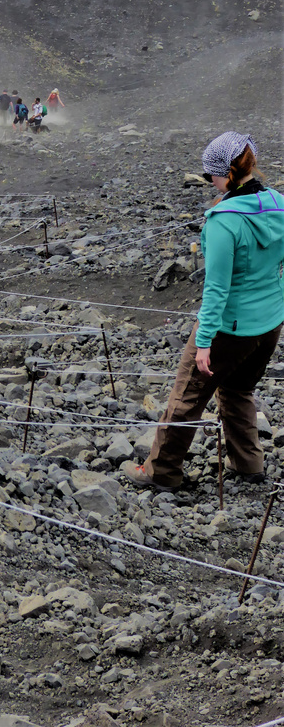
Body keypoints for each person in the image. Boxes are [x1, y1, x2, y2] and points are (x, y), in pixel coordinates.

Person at [124, 132, 284, 492]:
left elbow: (216, 289)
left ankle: (160, 472)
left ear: (227, 173)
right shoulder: (279, 205)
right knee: (238, 388)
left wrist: (206, 341)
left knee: (186, 398)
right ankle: (249, 465)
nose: (208, 180)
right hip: (270, 324)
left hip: (230, 327)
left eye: (211, 173)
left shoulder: (224, 220)